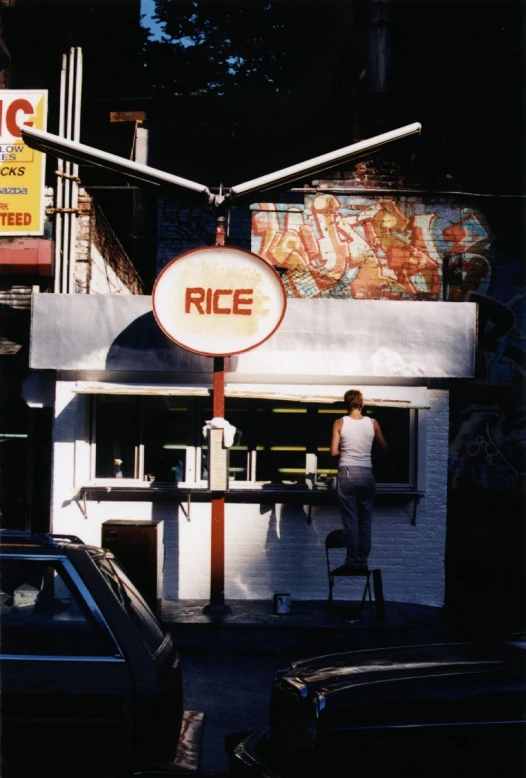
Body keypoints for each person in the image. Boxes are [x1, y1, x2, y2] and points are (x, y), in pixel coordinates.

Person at [330, 388, 388, 574]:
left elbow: (333, 452)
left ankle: (352, 561)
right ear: (362, 404)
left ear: (346, 404)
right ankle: (363, 561)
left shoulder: (340, 422)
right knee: (365, 520)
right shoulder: (373, 423)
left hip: (347, 472)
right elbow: (384, 447)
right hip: (367, 473)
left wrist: (346, 451)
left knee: (351, 520)